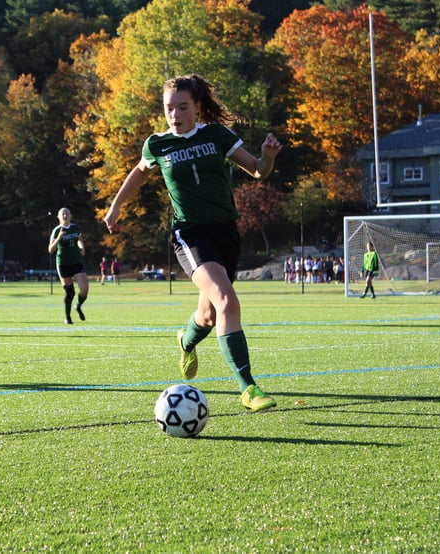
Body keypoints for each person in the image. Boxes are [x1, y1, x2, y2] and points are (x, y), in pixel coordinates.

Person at [103, 74, 282, 412]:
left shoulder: (217, 136)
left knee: (208, 315)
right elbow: (140, 172)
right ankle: (249, 389)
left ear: (197, 107)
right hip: (189, 234)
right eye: (169, 108)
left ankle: (185, 342)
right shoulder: (157, 144)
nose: (175, 115)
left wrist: (268, 156)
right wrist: (115, 206)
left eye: (182, 107)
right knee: (227, 300)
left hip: (225, 233)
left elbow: (258, 170)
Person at [48, 207, 89, 324]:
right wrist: (59, 238)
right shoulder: (57, 230)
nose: (65, 216)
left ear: (70, 215)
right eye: (62, 214)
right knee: (70, 292)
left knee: (84, 290)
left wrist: (82, 247)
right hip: (63, 263)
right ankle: (67, 317)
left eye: (67, 214)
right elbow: (50, 250)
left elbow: (80, 239)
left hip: (76, 262)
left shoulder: (75, 228)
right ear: (59, 217)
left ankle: (78, 306)